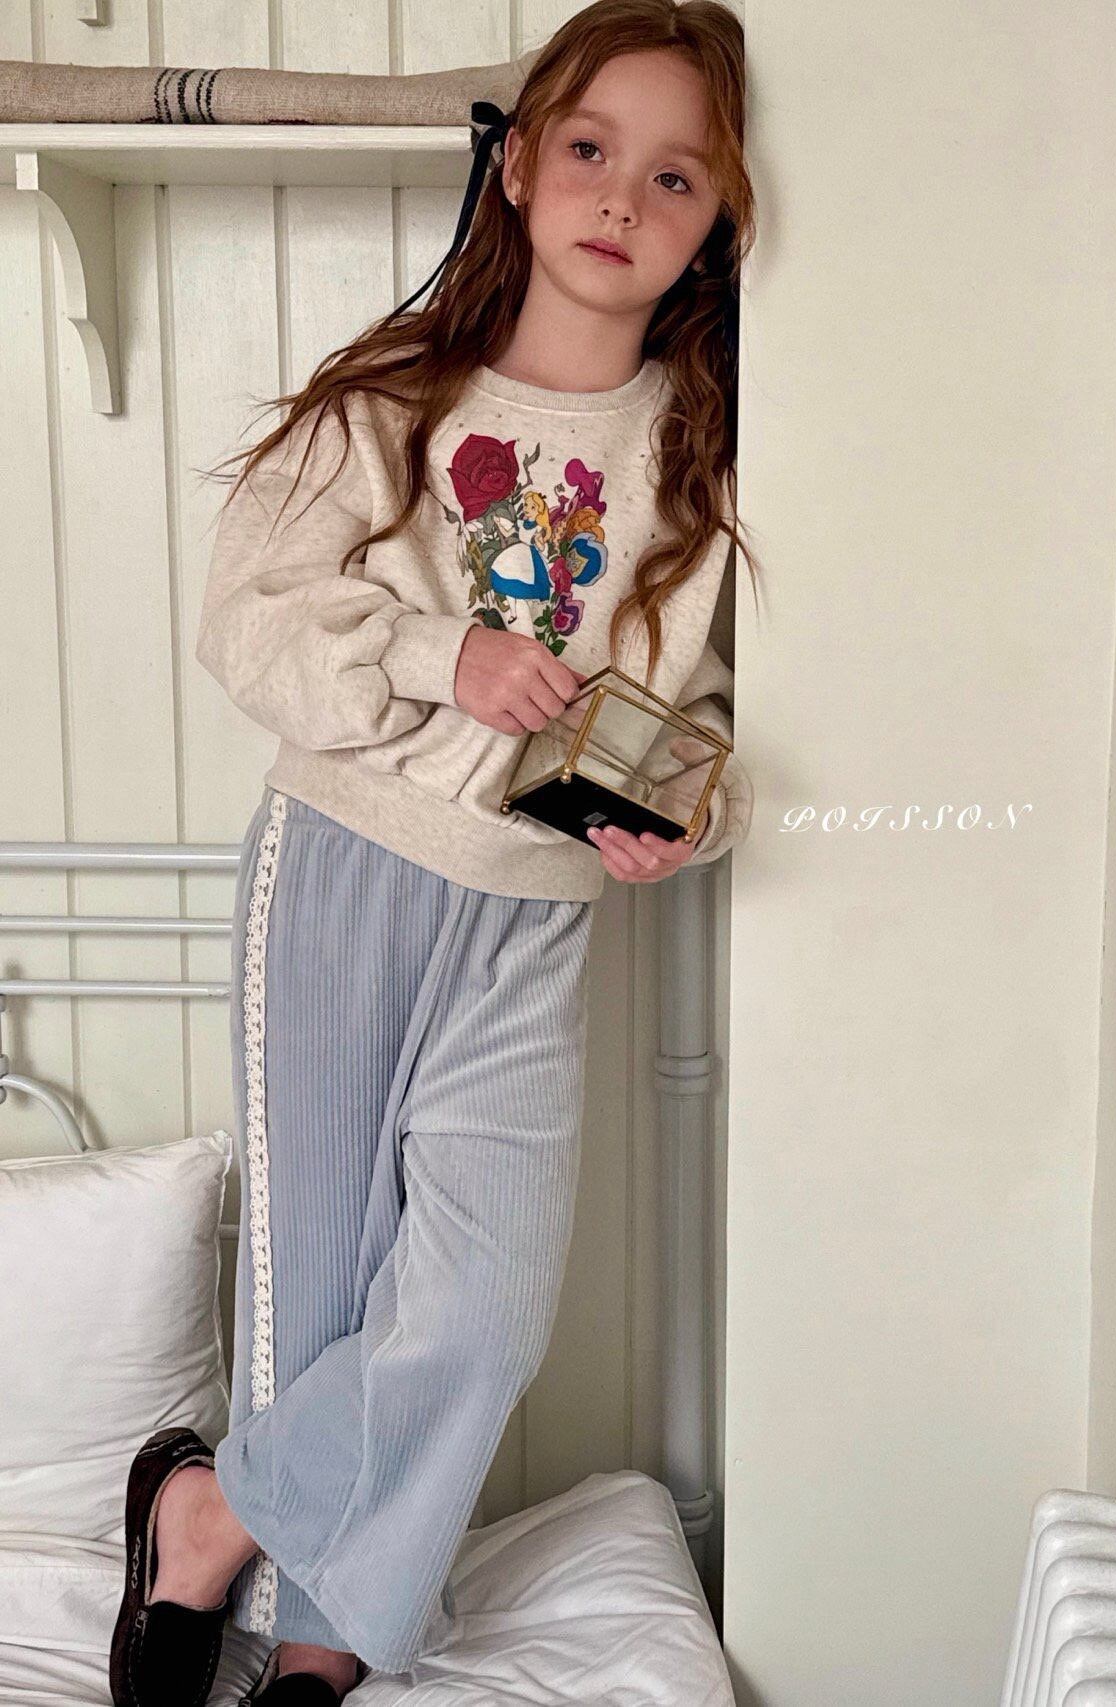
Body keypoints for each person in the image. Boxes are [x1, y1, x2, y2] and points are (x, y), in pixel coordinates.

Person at [109, 3, 758, 1703]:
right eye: (593, 149)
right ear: (522, 165)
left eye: (675, 175)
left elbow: (693, 717)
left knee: (481, 1305)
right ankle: (317, 1639)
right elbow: (250, 621)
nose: (623, 196)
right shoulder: (395, 403)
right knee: (319, 1284)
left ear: (714, 223)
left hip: (534, 916)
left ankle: (206, 1511)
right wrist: (434, 653)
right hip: (343, 867)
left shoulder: (695, 460)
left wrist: (680, 817)